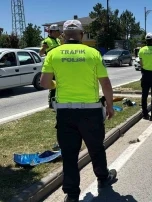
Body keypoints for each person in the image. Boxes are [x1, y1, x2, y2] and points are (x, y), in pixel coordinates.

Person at [40, 19, 117, 202]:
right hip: (90, 112)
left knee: (69, 154)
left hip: (65, 113)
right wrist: (110, 105)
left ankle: (72, 194)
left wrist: (57, 84)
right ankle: (103, 178)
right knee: (96, 148)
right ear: (81, 35)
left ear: (64, 36)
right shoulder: (93, 53)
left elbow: (44, 83)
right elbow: (105, 83)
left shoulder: (53, 53)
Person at [40, 24, 62, 109]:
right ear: (52, 32)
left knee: (59, 83)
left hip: (59, 65)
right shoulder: (46, 41)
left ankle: (58, 100)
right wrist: (43, 48)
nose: (59, 33)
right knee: (53, 84)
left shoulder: (58, 40)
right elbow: (41, 53)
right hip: (51, 65)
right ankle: (52, 103)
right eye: (57, 31)